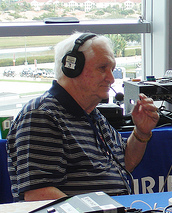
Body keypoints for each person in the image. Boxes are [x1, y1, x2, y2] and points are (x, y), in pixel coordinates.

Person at [6, 32, 160, 201]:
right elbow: (38, 194)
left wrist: (141, 132)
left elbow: (125, 164)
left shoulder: (92, 114)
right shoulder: (41, 116)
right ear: (72, 67)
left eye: (112, 70)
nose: (111, 78)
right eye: (103, 68)